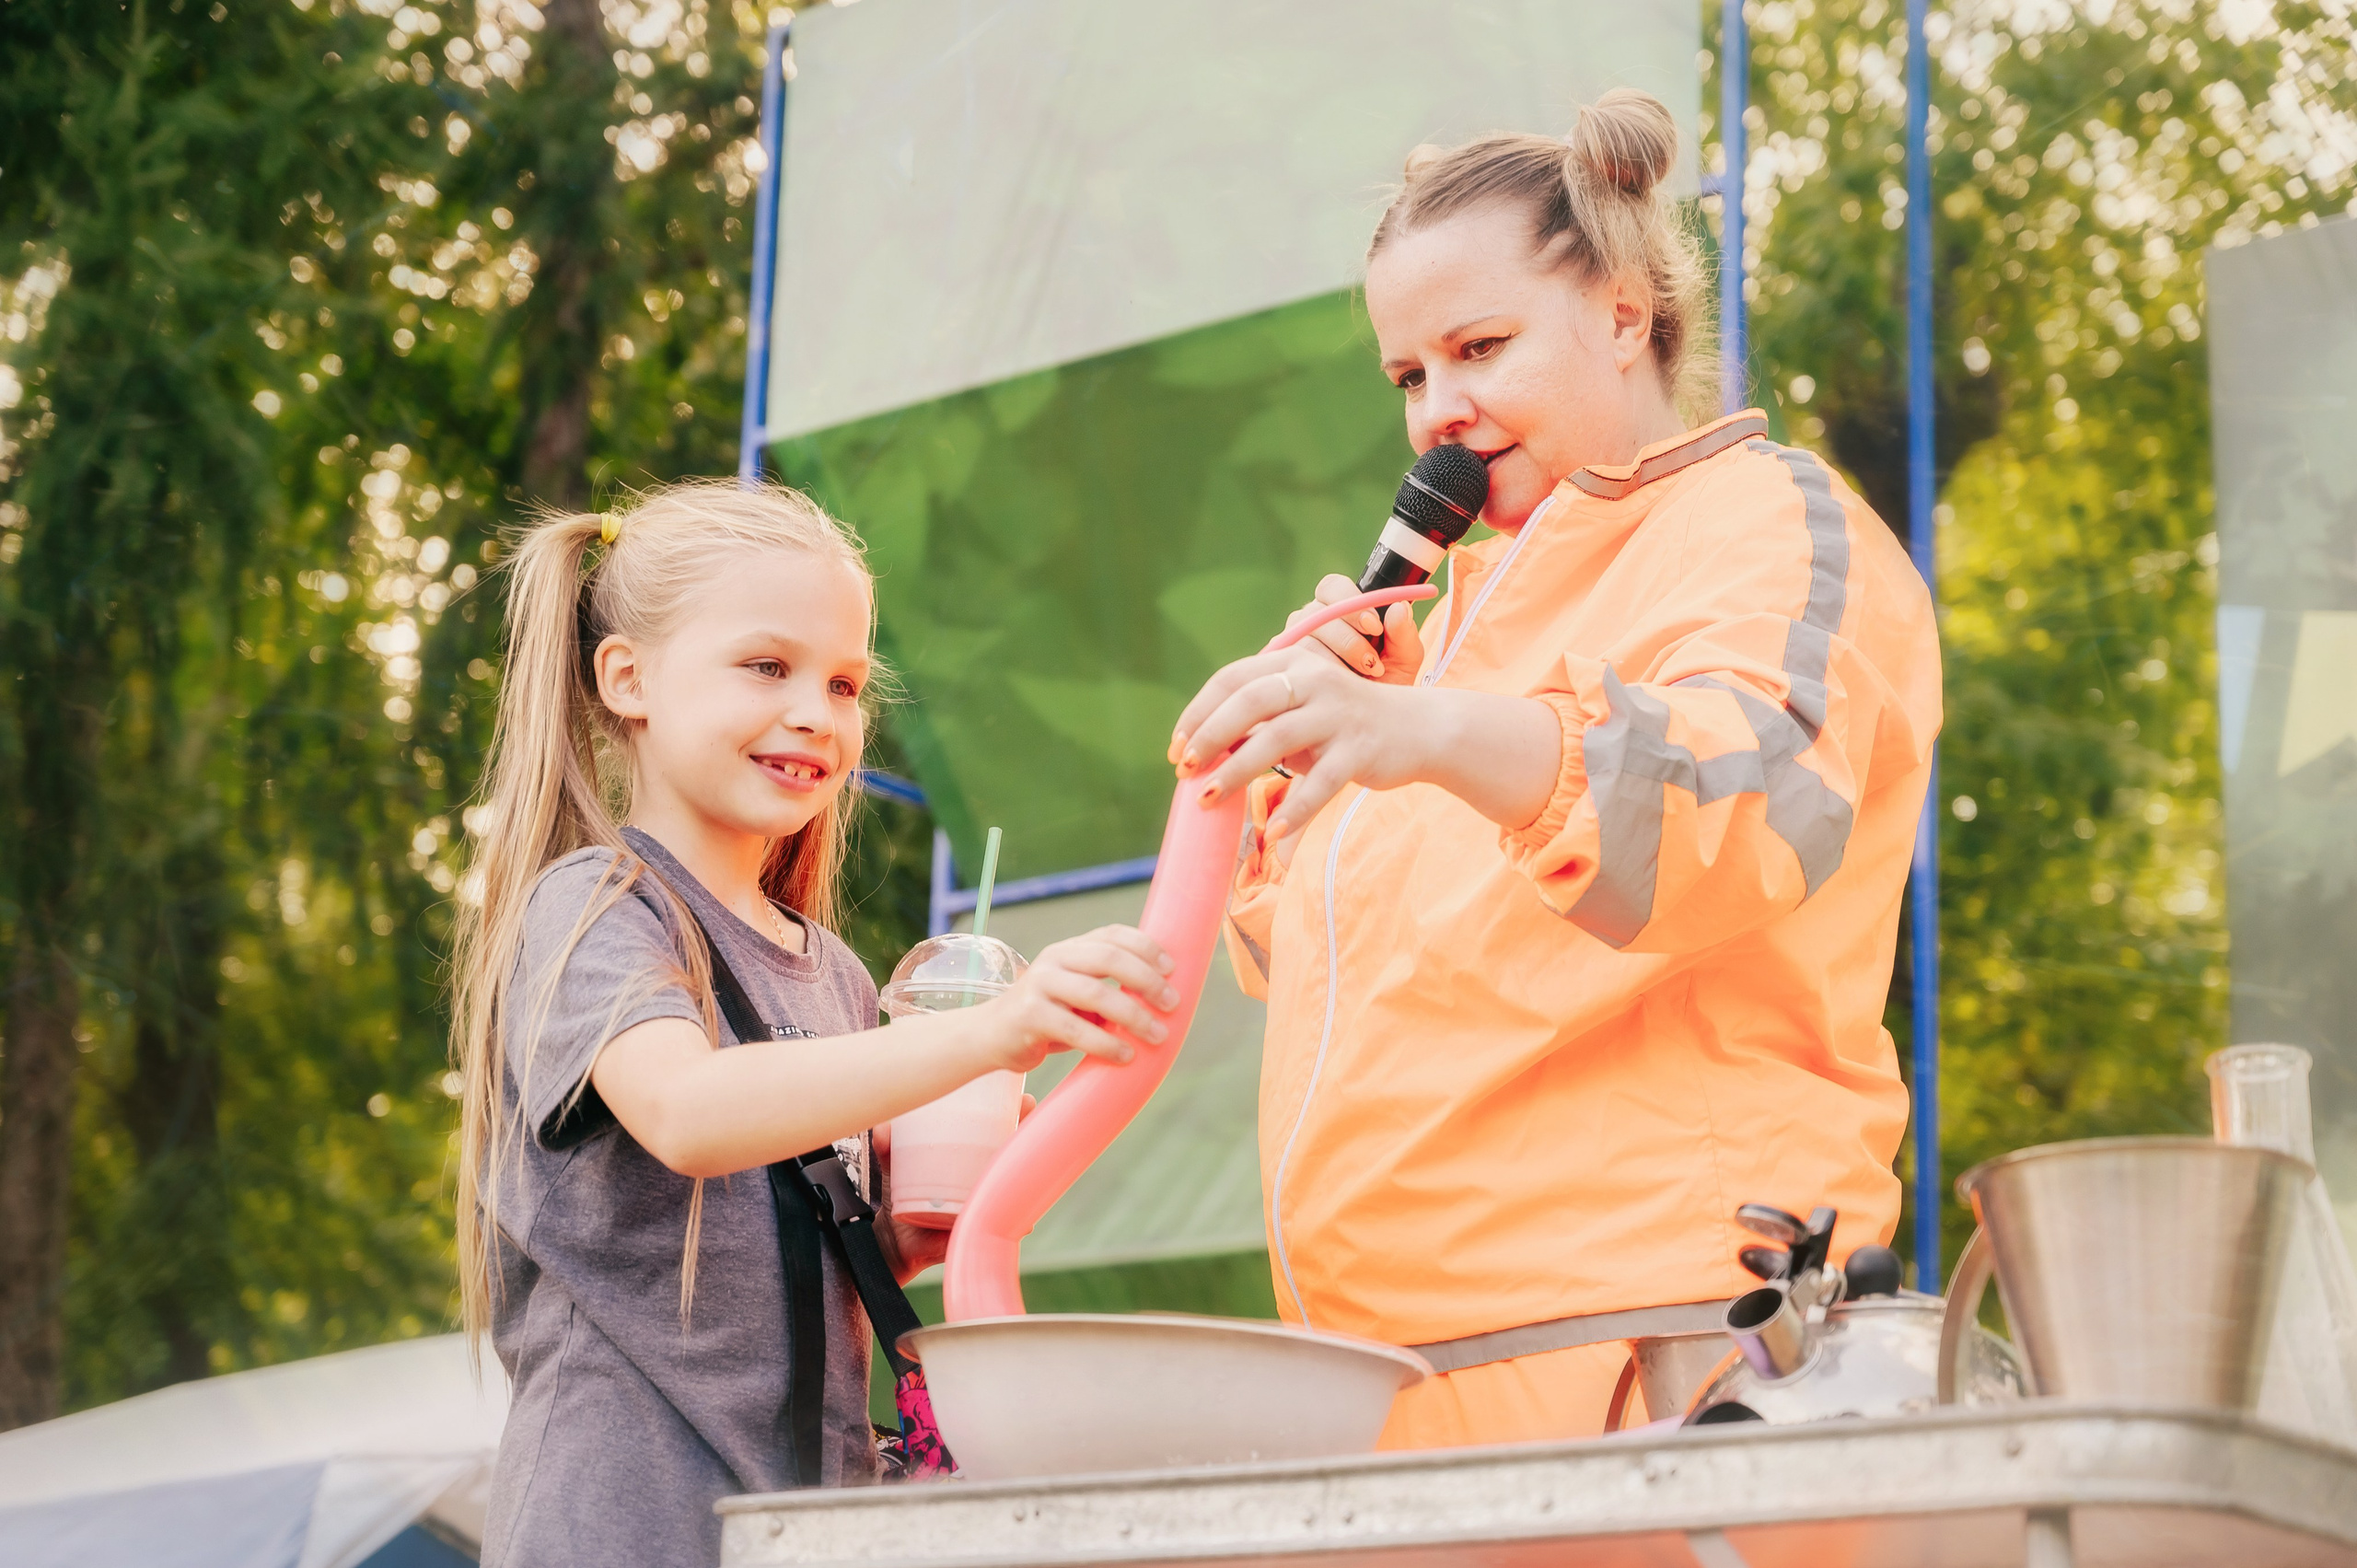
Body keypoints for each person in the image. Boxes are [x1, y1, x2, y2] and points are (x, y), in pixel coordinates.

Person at [1169, 89, 1940, 1446]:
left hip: (1663, 1348)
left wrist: (1432, 736)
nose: (1438, 411)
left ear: (1629, 310)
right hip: (1392, 1379)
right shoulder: (1442, 629)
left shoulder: (1766, 517)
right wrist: (1288, 792)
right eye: (1409, 375)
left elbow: (1749, 799)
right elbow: (1339, 968)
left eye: (1479, 346)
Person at [448, 481, 1175, 1565]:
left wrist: (895, 1236)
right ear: (627, 677)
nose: (815, 713)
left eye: (843, 682)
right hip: (625, 1526)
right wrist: (997, 1028)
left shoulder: (831, 972)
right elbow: (690, 1113)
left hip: (793, 1528)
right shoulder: (595, 905)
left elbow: (768, 1256)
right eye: (766, 666)